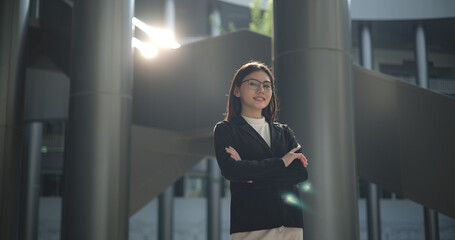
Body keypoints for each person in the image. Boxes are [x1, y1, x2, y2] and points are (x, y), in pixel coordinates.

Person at [213, 61, 309, 240]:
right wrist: (281, 163)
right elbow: (231, 171)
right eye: (253, 84)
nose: (261, 90)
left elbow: (299, 173)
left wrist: (249, 172)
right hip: (252, 225)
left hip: (291, 225)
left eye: (267, 85)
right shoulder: (226, 129)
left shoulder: (284, 131)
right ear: (236, 91)